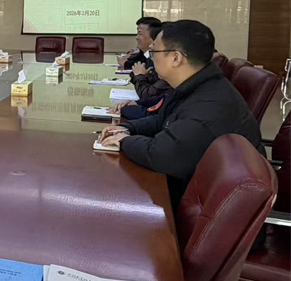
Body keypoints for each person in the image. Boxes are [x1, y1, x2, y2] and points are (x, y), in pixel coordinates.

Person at [98, 20, 264, 207]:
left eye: (154, 52)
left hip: (206, 205)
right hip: (191, 180)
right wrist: (127, 128)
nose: (151, 58)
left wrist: (124, 141)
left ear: (176, 58)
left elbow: (160, 155)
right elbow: (163, 120)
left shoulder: (207, 104)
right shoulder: (195, 84)